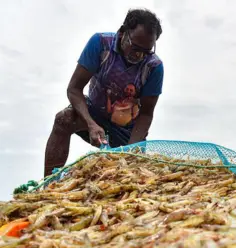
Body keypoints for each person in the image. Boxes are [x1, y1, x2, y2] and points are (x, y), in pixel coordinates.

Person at [44, 9, 164, 177]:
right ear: (123, 33)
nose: (139, 55)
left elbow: (146, 114)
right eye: (135, 47)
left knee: (129, 178)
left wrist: (130, 152)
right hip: (94, 116)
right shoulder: (101, 44)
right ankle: (49, 183)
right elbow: (74, 89)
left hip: (127, 131)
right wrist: (90, 123)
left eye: (146, 52)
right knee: (63, 119)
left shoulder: (153, 67)